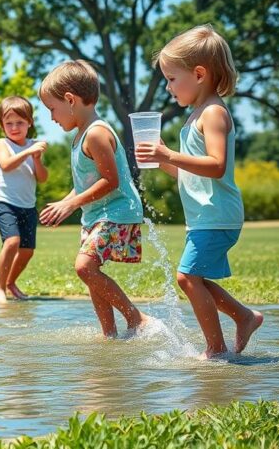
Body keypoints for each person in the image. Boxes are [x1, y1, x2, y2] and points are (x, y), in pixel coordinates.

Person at [136, 25, 263, 358]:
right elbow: (190, 173)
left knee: (188, 278)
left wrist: (168, 154)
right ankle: (245, 317)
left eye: (172, 78)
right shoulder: (195, 116)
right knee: (195, 279)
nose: (167, 87)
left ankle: (216, 350)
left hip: (218, 214)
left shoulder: (214, 114)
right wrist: (163, 160)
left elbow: (216, 165)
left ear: (200, 73)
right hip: (204, 217)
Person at [38, 61, 152, 337]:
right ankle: (109, 334)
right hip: (96, 215)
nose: (52, 118)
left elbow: (110, 181)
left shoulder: (97, 133)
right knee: (91, 275)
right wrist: (65, 204)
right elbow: (86, 183)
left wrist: (72, 204)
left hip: (117, 212)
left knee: (84, 267)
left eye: (52, 109)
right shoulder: (80, 136)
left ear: (70, 100)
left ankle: (136, 319)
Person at [0, 97, 48, 304]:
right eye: (9, 123)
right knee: (12, 241)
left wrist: (37, 158)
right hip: (5, 202)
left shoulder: (34, 147)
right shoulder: (1, 143)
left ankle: (11, 282)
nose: (14, 127)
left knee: (27, 251)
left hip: (28, 205)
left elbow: (42, 178)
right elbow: (6, 165)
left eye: (20, 123)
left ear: (29, 122)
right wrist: (29, 151)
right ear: (1, 125)